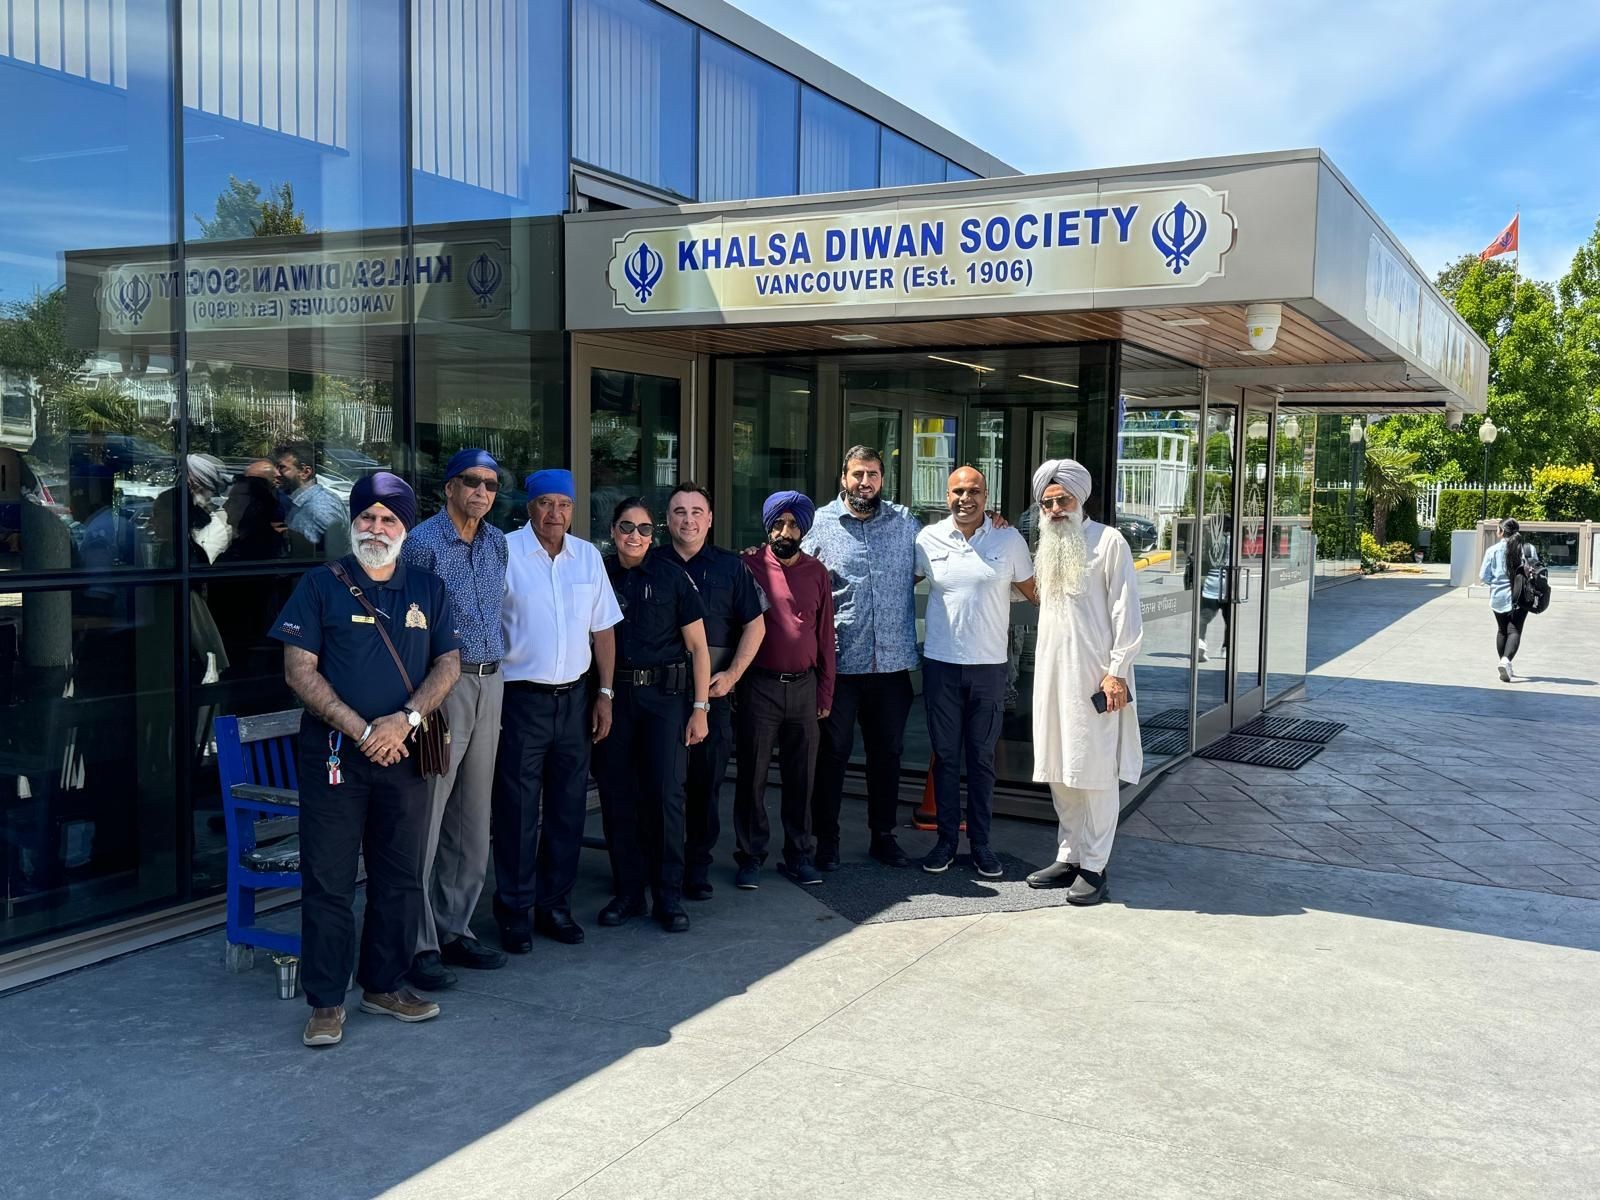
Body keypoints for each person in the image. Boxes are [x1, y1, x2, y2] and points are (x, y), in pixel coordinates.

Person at [270, 471, 462, 1048]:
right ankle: (327, 1001)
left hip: (403, 753)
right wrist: (363, 730)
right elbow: (298, 670)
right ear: (352, 523)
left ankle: (384, 985)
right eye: (367, 518)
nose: (376, 528)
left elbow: (448, 665)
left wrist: (402, 722)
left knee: (400, 876)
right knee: (328, 881)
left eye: (389, 520)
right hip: (335, 755)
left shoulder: (428, 588)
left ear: (404, 528)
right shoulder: (320, 584)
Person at [491, 468, 621, 952]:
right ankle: (515, 911)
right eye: (545, 503)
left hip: (575, 700)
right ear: (529, 507)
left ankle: (555, 906)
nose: (555, 514)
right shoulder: (503, 551)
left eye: (563, 505)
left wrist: (605, 694)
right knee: (518, 811)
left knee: (567, 810)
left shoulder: (587, 556)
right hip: (519, 699)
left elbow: (604, 629)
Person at [399, 449, 510, 990]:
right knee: (427, 813)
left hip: (493, 679)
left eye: (491, 485)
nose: (482, 493)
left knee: (473, 816)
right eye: (472, 482)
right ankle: (416, 941)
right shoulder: (421, 544)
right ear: (449, 488)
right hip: (444, 684)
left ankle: (454, 928)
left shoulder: (497, 543)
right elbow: (409, 625)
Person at [1023, 459, 1142, 906]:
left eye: (1063, 500)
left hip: (1097, 678)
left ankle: (1095, 866)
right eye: (1048, 502)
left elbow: (1126, 613)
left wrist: (1117, 672)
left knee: (1094, 774)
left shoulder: (1108, 542)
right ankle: (1069, 854)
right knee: (1060, 768)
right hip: (1053, 678)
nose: (1055, 509)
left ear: (1080, 499)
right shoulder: (1047, 544)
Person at [595, 498, 712, 933]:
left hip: (665, 699)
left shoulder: (671, 577)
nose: (635, 536)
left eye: (644, 530)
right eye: (627, 527)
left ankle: (667, 895)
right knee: (617, 796)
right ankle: (629, 893)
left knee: (666, 797)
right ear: (613, 530)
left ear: (653, 535)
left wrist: (700, 709)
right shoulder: (598, 574)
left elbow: (699, 649)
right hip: (614, 696)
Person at [801, 447, 920, 870]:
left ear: (883, 480)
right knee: (832, 754)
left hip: (891, 666)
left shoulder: (906, 523)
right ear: (843, 479)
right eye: (857, 474)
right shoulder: (818, 524)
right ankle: (826, 840)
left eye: (872, 474)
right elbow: (792, 571)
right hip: (838, 665)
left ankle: (883, 836)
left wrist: (991, 521)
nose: (864, 482)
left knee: (886, 754)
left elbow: (936, 558)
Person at [915, 467, 1037, 877]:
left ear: (987, 497)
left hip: (988, 669)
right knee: (946, 759)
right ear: (945, 495)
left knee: (982, 761)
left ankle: (982, 844)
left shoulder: (1008, 539)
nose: (965, 498)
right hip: (941, 666)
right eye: (957, 491)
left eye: (974, 491)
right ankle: (946, 842)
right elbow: (898, 582)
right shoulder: (926, 539)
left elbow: (1037, 595)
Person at [657, 483, 766, 900]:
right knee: (663, 786)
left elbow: (756, 625)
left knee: (705, 785)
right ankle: (661, 863)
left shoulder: (731, 567)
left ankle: (696, 866)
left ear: (710, 519)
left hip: (714, 696)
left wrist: (733, 675)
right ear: (667, 520)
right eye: (679, 511)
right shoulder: (651, 562)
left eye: (696, 511)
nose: (688, 519)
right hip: (661, 694)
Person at [734, 490, 835, 888]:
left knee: (802, 778)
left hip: (805, 688)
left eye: (792, 524)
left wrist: (825, 692)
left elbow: (826, 636)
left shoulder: (817, 573)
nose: (785, 530)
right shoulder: (747, 566)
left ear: (803, 529)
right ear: (767, 526)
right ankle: (751, 855)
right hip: (759, 687)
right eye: (778, 523)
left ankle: (799, 855)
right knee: (752, 775)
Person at [1480, 517, 1540, 682]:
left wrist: (1497, 582)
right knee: (1515, 630)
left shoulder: (1492, 551)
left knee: (1502, 630)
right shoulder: (1528, 549)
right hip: (1521, 596)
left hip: (1498, 596)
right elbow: (1536, 569)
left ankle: (1504, 663)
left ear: (1501, 532)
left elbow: (1484, 576)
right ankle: (1506, 661)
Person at [275, 441, 347, 550]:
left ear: (305, 472)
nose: (276, 473)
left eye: (282, 467)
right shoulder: (306, 503)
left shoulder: (317, 509)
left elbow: (335, 553)